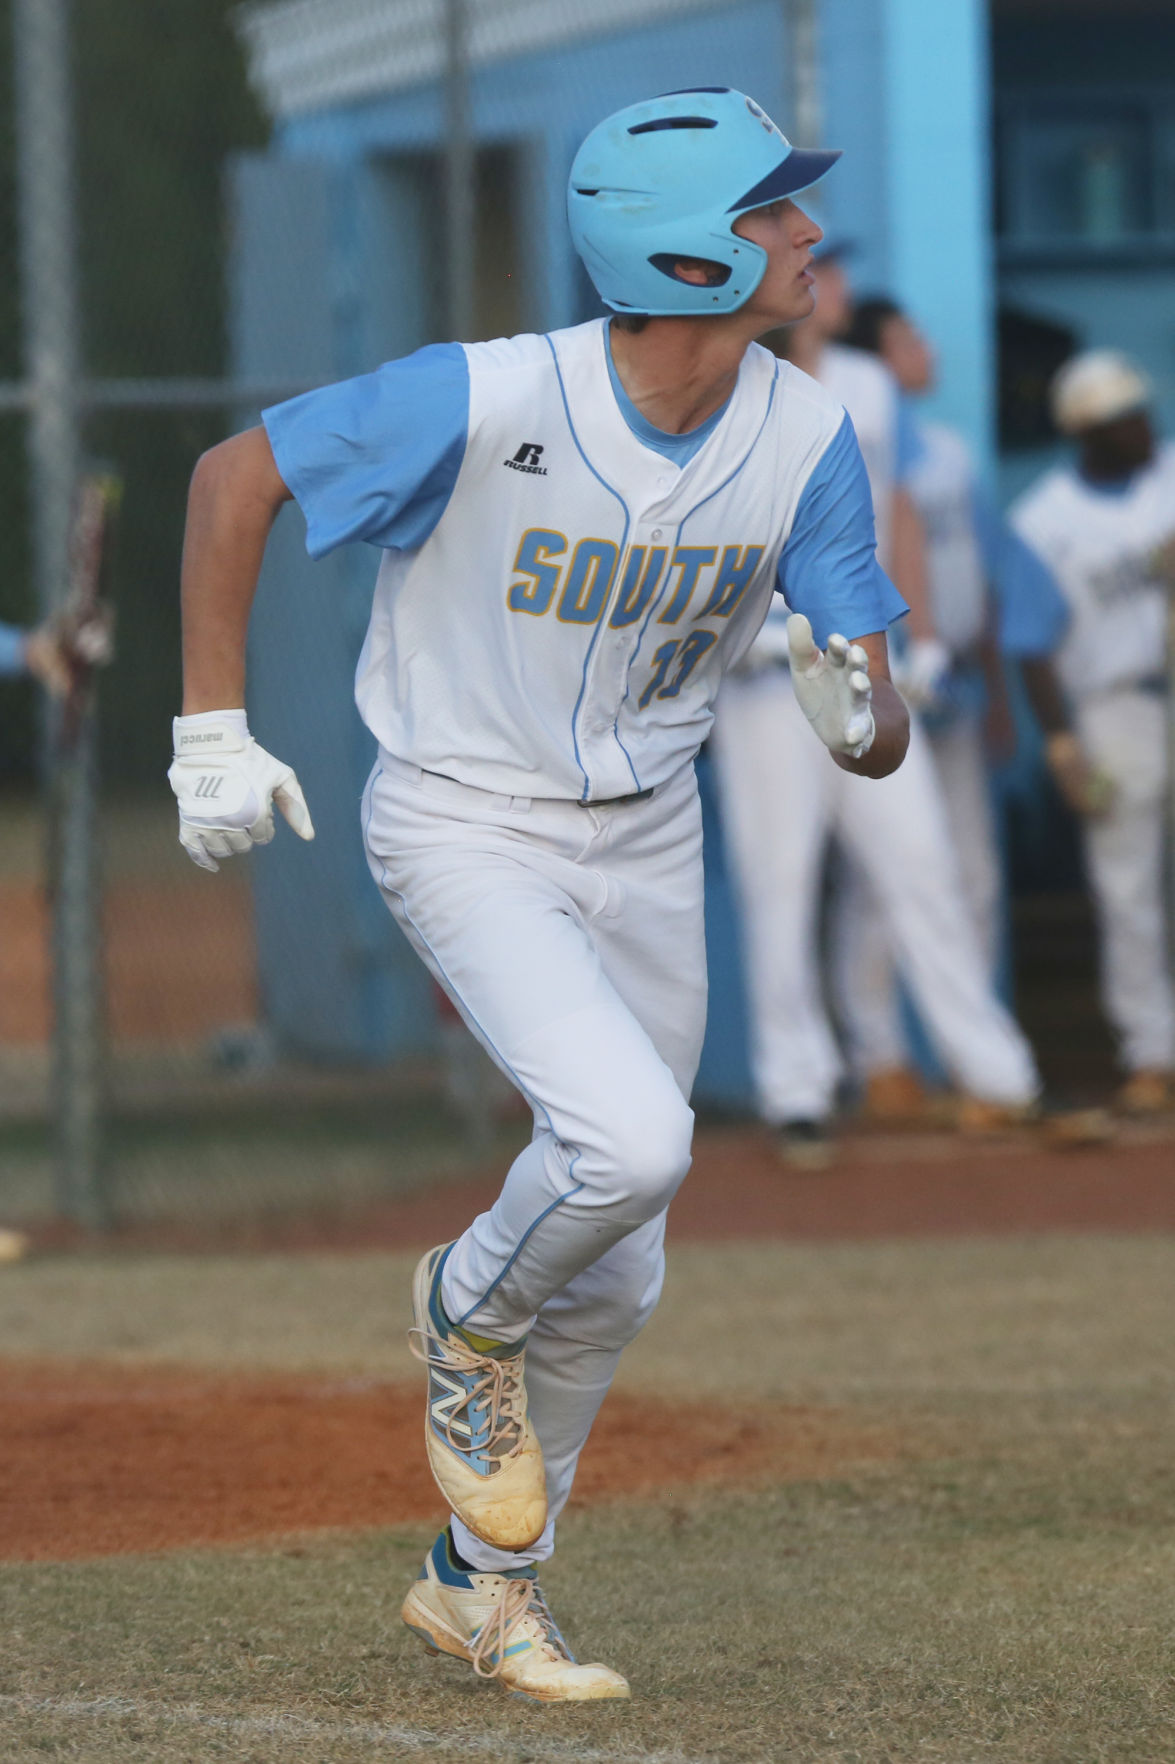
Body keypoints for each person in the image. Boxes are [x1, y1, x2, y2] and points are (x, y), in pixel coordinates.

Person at [166, 87, 911, 1701]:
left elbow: (872, 699)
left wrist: (868, 705)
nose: (807, 234)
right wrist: (210, 729)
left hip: (646, 829)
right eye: (774, 209)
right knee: (628, 1142)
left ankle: (482, 1586)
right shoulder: (488, 392)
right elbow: (236, 477)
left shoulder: (803, 430)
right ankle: (460, 1305)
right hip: (462, 812)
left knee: (625, 1253)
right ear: (688, 252)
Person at [709, 252, 1042, 1160]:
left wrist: (918, 636)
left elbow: (892, 510)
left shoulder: (861, 382)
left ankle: (996, 1073)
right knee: (778, 885)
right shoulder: (723, 383)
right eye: (810, 268)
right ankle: (796, 1091)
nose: (830, 285)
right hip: (765, 678)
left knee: (922, 863)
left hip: (859, 667)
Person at [840, 295, 1071, 1023]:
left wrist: (996, 694)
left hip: (955, 685)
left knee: (973, 873)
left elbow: (980, 582)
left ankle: (971, 1057)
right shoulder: (843, 445)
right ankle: (880, 1059)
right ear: (873, 362)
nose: (927, 352)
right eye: (909, 340)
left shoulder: (949, 453)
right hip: (879, 682)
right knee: (880, 880)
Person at [1010, 350, 1175, 1114]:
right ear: (1084, 431)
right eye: (1122, 420)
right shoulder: (1043, 519)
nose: (1142, 428)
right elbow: (1032, 642)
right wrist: (1061, 741)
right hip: (1112, 709)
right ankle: (1150, 1054)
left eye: (1140, 412)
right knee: (1127, 886)